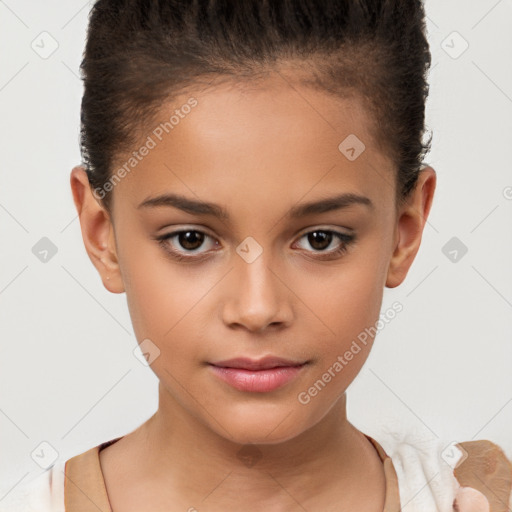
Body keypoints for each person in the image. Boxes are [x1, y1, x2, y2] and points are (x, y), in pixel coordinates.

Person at [1, 0, 511, 511]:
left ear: (405, 231)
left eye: (320, 239)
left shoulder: (481, 498)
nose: (257, 308)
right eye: (191, 240)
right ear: (102, 233)